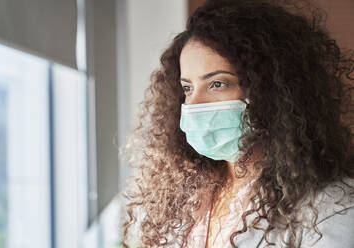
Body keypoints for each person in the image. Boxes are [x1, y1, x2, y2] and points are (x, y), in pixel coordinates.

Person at [119, 0, 354, 247]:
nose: (194, 103)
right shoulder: (184, 195)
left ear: (272, 92)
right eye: (187, 88)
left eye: (217, 84)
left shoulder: (332, 208)